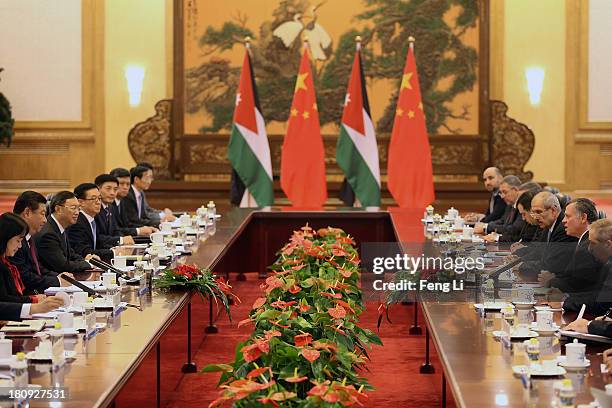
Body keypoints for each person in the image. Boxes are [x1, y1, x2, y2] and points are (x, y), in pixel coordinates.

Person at [10, 191, 73, 293]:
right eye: (42, 214)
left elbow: (37, 268)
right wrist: (56, 281)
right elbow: (24, 276)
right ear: (27, 213)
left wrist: (57, 276)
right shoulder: (13, 238)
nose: (45, 220)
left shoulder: (29, 237)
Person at [538, 198, 603, 293]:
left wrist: (551, 281)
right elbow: (572, 276)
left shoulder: (589, 246)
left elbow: (579, 285)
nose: (563, 221)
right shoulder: (583, 241)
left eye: (568, 217)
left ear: (583, 218)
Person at [34, 191, 97, 273]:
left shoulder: (61, 226)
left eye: (78, 208)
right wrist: (88, 264)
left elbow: (71, 254)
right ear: (58, 209)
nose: (77, 213)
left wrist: (86, 260)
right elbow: (62, 266)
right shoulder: (48, 233)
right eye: (73, 208)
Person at [517, 192, 577, 279]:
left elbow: (551, 265)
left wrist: (521, 265)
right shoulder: (548, 224)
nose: (535, 217)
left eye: (539, 212)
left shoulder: (564, 228)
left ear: (553, 210)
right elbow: (538, 251)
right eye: (533, 213)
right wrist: (518, 260)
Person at [562, 218, 612, 316]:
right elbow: (595, 295)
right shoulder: (606, 262)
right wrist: (565, 299)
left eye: (593, 243)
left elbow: (600, 305)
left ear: (608, 244)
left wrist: (564, 302)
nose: (589, 249)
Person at [68, 183, 128, 261]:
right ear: (80, 202)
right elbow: (84, 251)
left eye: (99, 198)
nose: (98, 202)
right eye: (93, 199)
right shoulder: (77, 223)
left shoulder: (92, 219)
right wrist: (113, 252)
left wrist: (116, 248)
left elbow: (99, 243)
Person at [109, 168, 155, 236]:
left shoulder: (122, 201)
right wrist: (138, 230)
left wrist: (145, 228)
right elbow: (115, 230)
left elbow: (128, 224)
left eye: (128, 184)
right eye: (121, 184)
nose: (125, 187)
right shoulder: (109, 203)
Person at [95, 173, 138, 241]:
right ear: (97, 189)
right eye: (108, 189)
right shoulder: (94, 209)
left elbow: (115, 230)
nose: (112, 193)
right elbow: (97, 238)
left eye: (115, 189)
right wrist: (121, 240)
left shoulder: (110, 207)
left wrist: (123, 239)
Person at [480, 175, 522, 240]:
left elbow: (513, 229)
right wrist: (486, 225)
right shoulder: (509, 205)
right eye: (501, 193)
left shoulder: (522, 207)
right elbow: (502, 220)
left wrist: (487, 227)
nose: (502, 196)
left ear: (516, 190)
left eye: (505, 192)